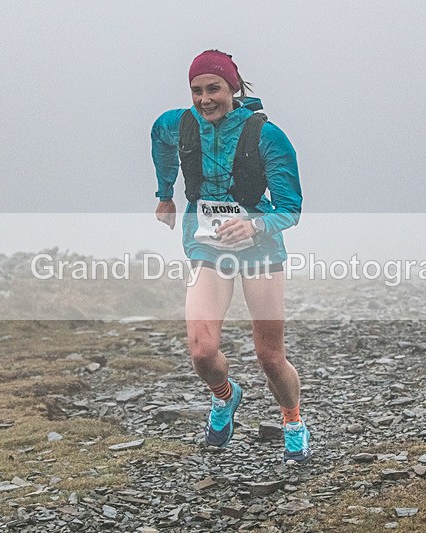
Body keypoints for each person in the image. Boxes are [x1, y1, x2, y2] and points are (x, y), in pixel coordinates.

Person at [150, 50, 310, 464]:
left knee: (270, 357)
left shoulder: (267, 136)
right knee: (202, 350)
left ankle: (292, 420)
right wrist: (165, 194)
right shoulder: (178, 125)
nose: (205, 99)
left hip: (260, 250)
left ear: (233, 89)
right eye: (197, 90)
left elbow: (290, 207)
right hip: (207, 246)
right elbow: (159, 140)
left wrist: (254, 224)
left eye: (214, 89)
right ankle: (226, 397)